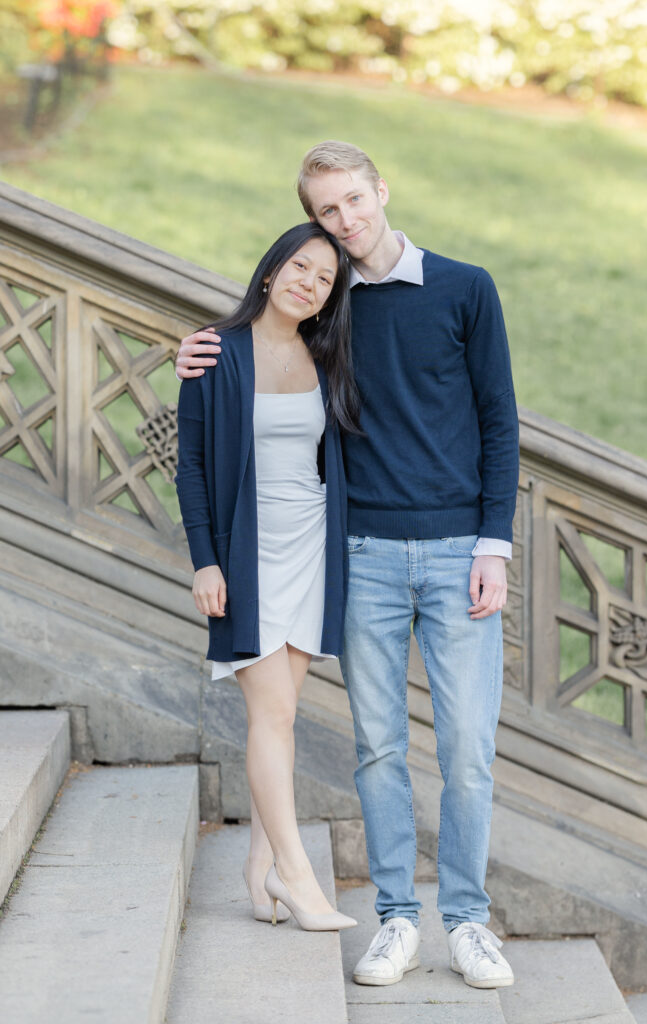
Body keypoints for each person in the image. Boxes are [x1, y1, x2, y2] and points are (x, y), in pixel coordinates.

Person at [176, 142, 519, 987]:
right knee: (377, 750)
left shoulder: (464, 287)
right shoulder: (328, 311)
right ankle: (398, 919)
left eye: (353, 201)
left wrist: (492, 543)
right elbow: (253, 359)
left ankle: (468, 922)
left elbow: (498, 421)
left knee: (469, 749)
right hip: (359, 554)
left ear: (380, 191)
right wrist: (187, 355)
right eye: (326, 211)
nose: (345, 222)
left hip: (455, 555)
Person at [175, 221, 360, 932]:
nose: (307, 283)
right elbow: (190, 464)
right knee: (272, 715)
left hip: (313, 550)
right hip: (248, 556)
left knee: (280, 724)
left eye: (323, 279)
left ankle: (260, 871)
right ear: (271, 268)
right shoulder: (213, 352)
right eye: (300, 267)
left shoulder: (327, 356)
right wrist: (204, 559)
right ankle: (296, 875)